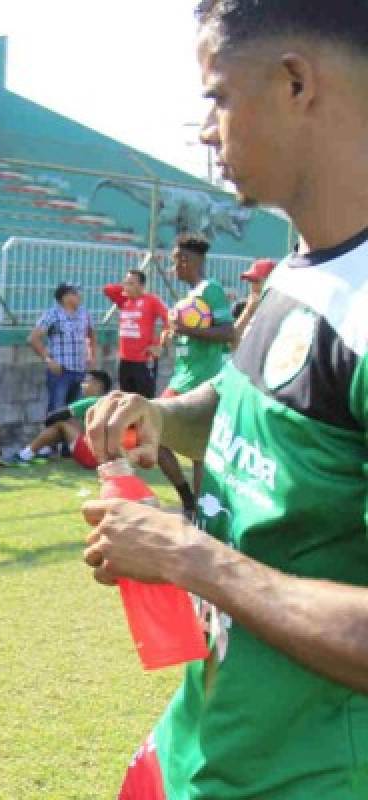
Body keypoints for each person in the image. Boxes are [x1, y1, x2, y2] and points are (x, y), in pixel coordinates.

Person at [84, 2, 368, 797]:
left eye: (216, 99)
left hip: (311, 775)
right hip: (206, 738)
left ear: (296, 82)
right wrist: (166, 418)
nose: (206, 132)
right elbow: (252, 404)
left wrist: (186, 556)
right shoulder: (297, 267)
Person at [155, 233, 235, 514]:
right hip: (182, 377)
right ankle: (189, 499)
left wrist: (187, 330)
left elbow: (227, 332)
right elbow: (190, 333)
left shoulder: (210, 289)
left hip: (203, 380)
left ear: (186, 261)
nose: (172, 268)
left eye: (175, 261)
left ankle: (200, 511)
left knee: (200, 452)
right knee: (150, 434)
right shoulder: (191, 295)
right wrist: (172, 336)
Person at [12, 369, 111, 468]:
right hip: (103, 457)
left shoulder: (91, 400)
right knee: (70, 422)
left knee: (61, 423)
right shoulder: (109, 401)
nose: (82, 384)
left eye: (86, 381)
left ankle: (24, 455)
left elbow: (56, 415)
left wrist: (46, 424)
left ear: (97, 384)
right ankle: (43, 451)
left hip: (90, 457)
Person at [28, 282, 96, 414]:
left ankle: (72, 435)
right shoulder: (53, 314)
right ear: (65, 297)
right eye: (75, 293)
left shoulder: (84, 313)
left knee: (77, 411)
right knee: (57, 412)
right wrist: (49, 360)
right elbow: (33, 338)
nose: (79, 296)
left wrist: (91, 357)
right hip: (61, 373)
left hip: (80, 371)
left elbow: (91, 335)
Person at [103, 268, 170, 399]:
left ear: (142, 286)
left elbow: (169, 319)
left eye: (131, 283)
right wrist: (126, 288)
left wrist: (159, 345)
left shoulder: (151, 300)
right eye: (125, 283)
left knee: (144, 399)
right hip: (124, 360)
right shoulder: (123, 300)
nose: (126, 286)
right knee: (125, 398)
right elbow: (107, 289)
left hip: (144, 360)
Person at [232, 257, 276, 346]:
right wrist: (248, 312)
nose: (252, 286)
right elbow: (230, 344)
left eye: (256, 281)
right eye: (250, 281)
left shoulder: (280, 311)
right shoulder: (241, 307)